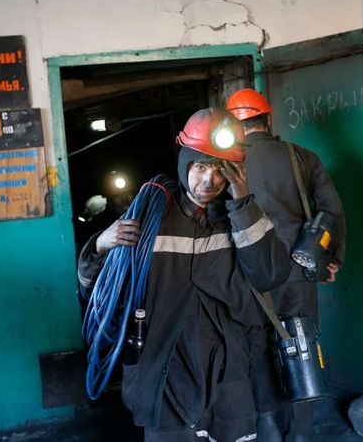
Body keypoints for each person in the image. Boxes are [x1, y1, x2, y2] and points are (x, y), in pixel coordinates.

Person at [77, 107, 291, 442]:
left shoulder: (241, 217)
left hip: (229, 368)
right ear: (184, 162)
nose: (209, 179)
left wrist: (243, 203)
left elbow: (269, 275)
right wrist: (100, 246)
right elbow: (99, 297)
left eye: (221, 170)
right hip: (164, 367)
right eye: (201, 165)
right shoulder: (150, 219)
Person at [226, 88, 347, 441]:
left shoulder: (226, 164)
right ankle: (301, 431)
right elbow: (331, 211)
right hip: (297, 272)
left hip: (249, 275)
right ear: (269, 118)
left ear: (234, 126)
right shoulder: (302, 157)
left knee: (259, 348)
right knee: (302, 348)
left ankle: (267, 425)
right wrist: (331, 259)